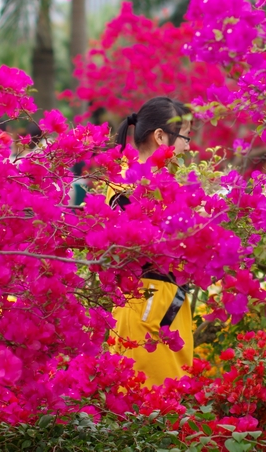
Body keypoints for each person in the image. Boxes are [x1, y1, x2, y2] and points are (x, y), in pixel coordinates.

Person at [107, 96, 193, 387]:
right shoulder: (125, 186)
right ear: (160, 136)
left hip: (162, 306)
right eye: (185, 137)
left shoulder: (161, 186)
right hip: (147, 309)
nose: (188, 146)